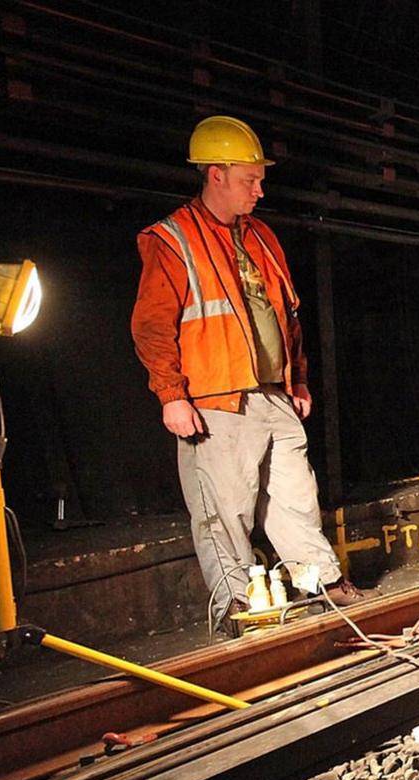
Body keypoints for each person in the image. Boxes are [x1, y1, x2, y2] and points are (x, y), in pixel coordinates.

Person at [131, 115, 361, 634]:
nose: (259, 190)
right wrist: (171, 394)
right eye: (248, 180)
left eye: (260, 179)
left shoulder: (261, 236)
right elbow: (150, 326)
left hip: (272, 392)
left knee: (296, 497)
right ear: (215, 175)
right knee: (223, 511)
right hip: (215, 396)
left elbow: (288, 313)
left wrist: (297, 378)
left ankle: (321, 583)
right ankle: (236, 605)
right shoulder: (171, 239)